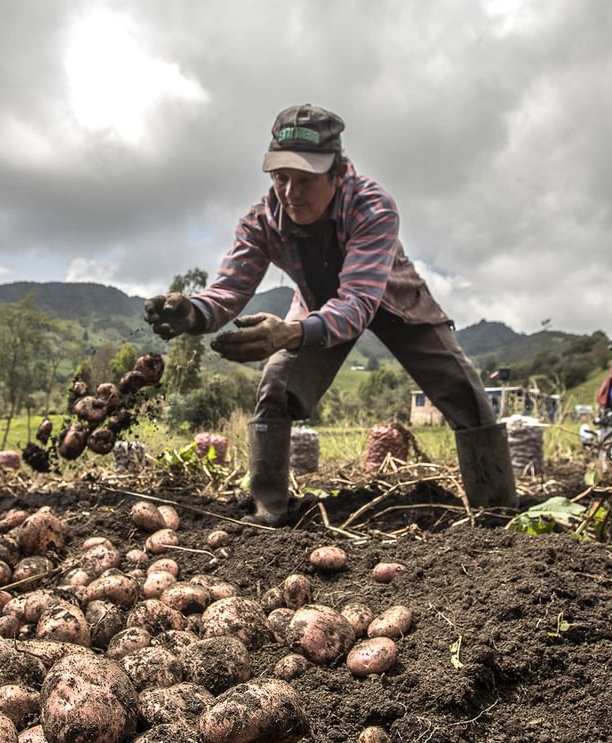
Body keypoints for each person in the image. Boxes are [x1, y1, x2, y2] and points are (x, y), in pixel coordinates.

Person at [144, 104, 517, 525]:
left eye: (306, 180)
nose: (291, 193)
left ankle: (498, 513)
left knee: (461, 388)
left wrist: (286, 334)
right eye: (281, 179)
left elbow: (358, 302)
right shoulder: (261, 221)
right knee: (276, 386)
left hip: (390, 298)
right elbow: (229, 289)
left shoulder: (372, 206)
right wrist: (192, 312)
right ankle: (270, 510)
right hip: (315, 309)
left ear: (337, 175)